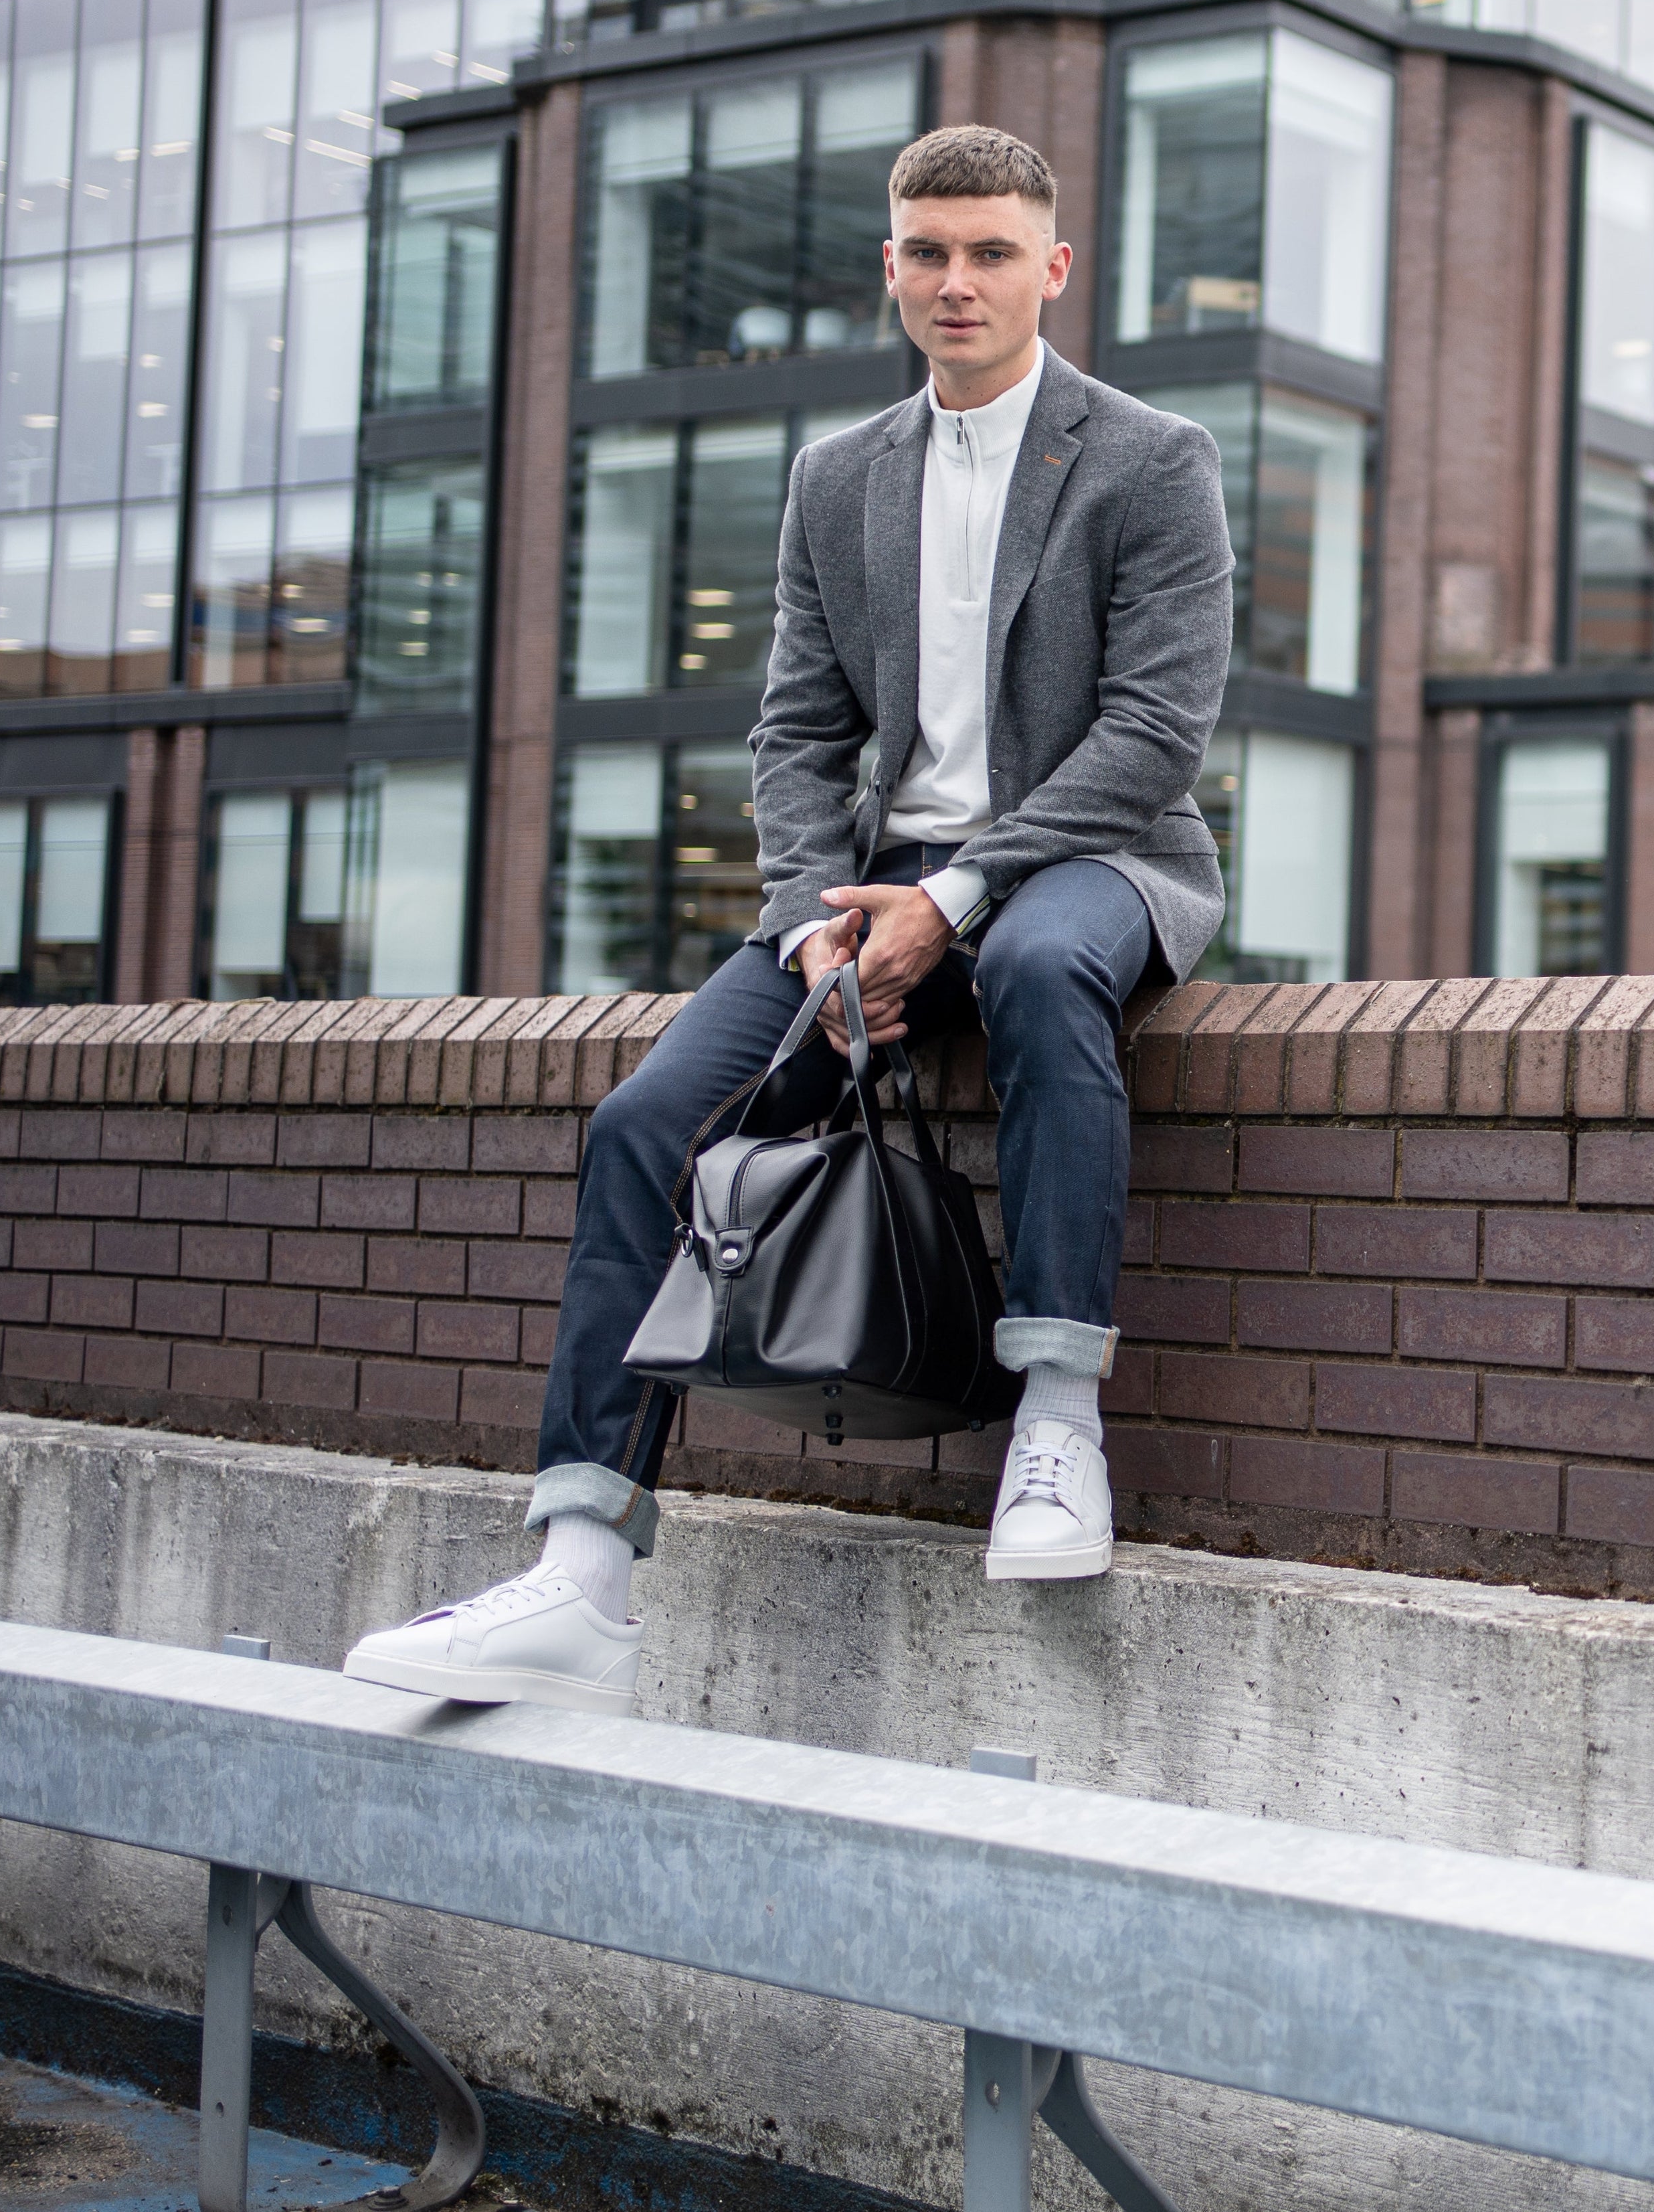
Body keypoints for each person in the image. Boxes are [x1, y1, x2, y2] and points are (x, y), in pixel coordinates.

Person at [345, 126, 1234, 1714]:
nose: (958, 282)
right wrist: (816, 927)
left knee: (1035, 970)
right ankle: (583, 1572)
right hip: (867, 891)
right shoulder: (840, 480)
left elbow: (1153, 736)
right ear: (889, 267)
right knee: (648, 1123)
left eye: (990, 252)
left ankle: (1053, 1425)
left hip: (1088, 861)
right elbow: (795, 732)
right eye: (928, 252)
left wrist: (953, 898)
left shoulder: (1150, 459)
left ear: (1053, 268)